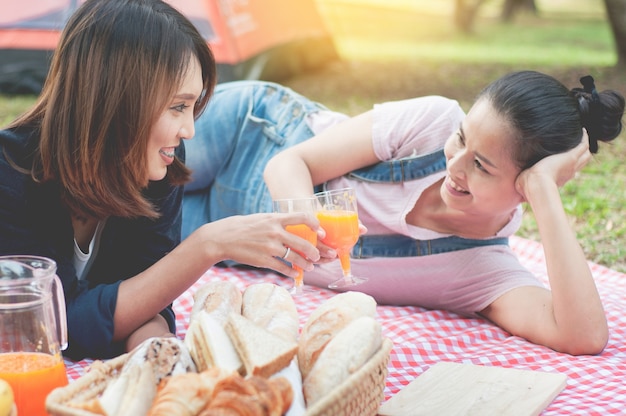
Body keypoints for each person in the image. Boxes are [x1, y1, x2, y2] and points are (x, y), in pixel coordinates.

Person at [184, 72, 624, 355]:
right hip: (251, 134)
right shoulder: (431, 122)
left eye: (482, 166)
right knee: (119, 167)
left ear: (524, 187)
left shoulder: (483, 270)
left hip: (230, 235)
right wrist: (304, 219)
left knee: (117, 229)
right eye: (461, 139)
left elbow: (581, 336)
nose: (455, 166)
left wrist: (545, 190)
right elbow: (289, 163)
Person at [0, 0, 320, 360]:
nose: (190, 130)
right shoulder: (10, 174)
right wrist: (206, 246)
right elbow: (57, 327)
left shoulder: (159, 165)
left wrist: (155, 356)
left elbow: (146, 296)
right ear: (118, 98)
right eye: (178, 107)